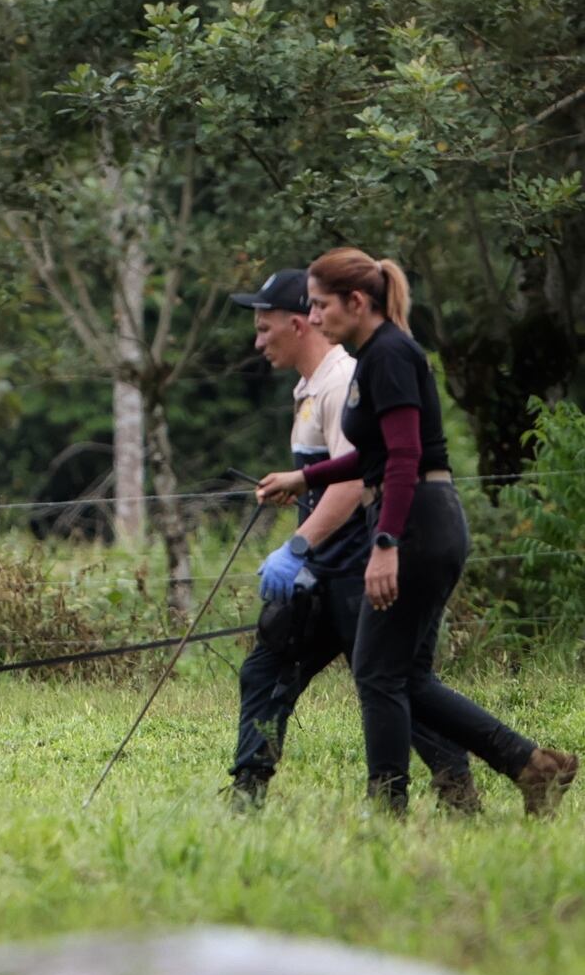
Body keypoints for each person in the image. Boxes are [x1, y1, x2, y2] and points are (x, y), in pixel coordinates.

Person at [256, 249, 577, 815]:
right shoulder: (375, 355)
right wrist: (303, 476)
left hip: (418, 524)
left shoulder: (390, 356)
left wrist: (384, 546)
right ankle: (531, 766)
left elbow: (404, 458)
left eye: (321, 304)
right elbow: (374, 456)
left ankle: (388, 807)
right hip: (420, 520)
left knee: (377, 674)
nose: (315, 315)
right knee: (406, 677)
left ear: (357, 303)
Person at [229, 270, 478, 809]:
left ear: (300, 322)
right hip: (327, 572)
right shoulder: (310, 387)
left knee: (389, 684)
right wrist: (297, 487)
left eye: (265, 327)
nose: (258, 340)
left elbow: (359, 478)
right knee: (274, 673)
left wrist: (297, 546)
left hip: (352, 566)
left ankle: (454, 778)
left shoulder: (345, 377)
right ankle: (248, 790)